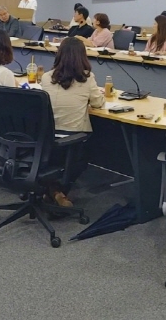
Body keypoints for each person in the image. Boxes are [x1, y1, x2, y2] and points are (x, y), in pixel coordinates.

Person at [39, 37, 105, 206]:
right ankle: (58, 193)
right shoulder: (87, 78)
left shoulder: (46, 77)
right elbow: (98, 103)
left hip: (47, 136)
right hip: (73, 137)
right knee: (85, 155)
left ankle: (53, 191)